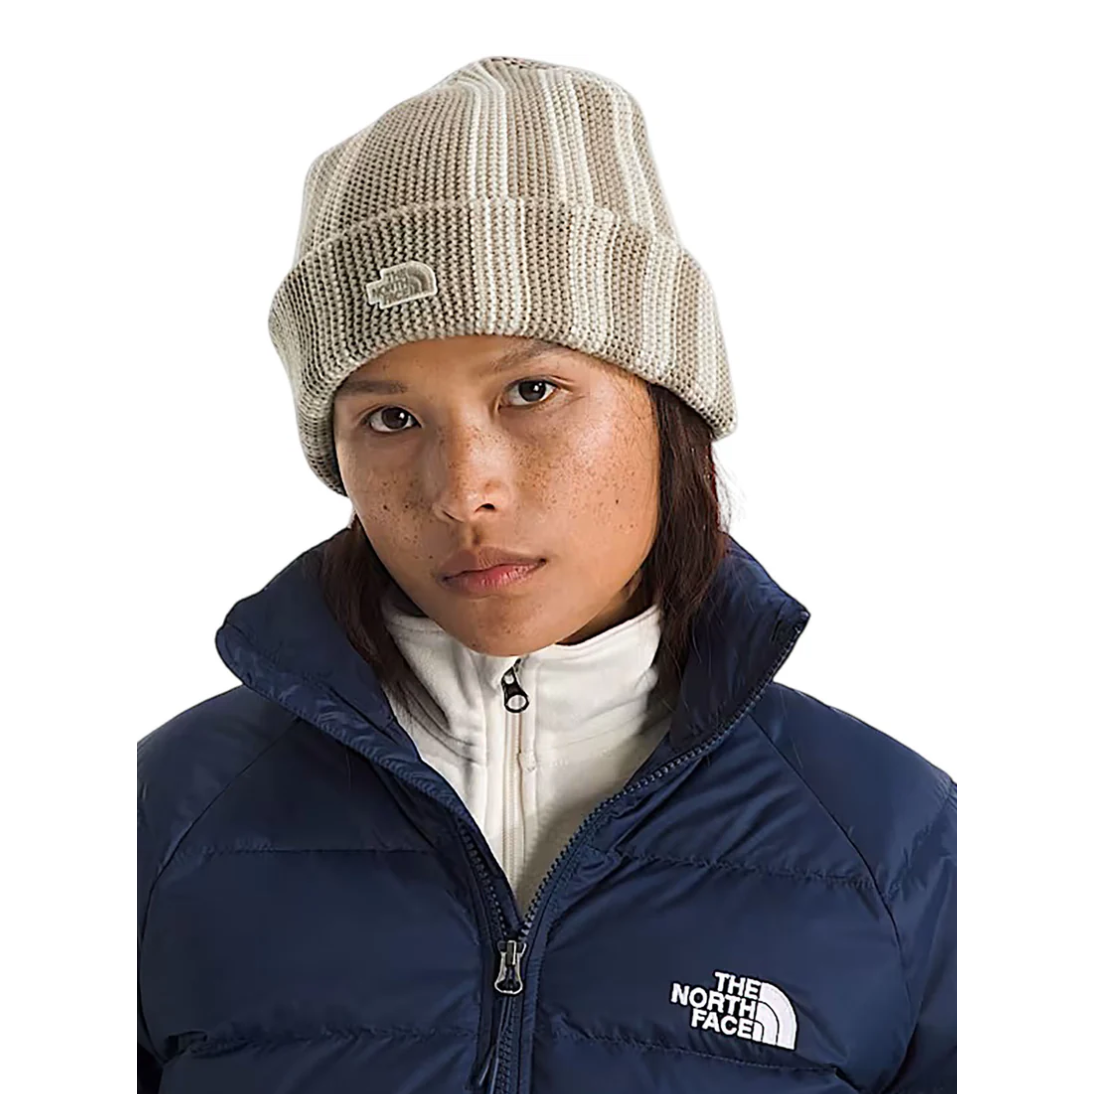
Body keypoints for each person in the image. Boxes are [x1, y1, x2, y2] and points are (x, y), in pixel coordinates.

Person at [137, 55, 956, 1094]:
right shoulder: (160, 814)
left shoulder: (895, 839)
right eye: (390, 417)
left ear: (669, 409)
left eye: (531, 390)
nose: (461, 490)